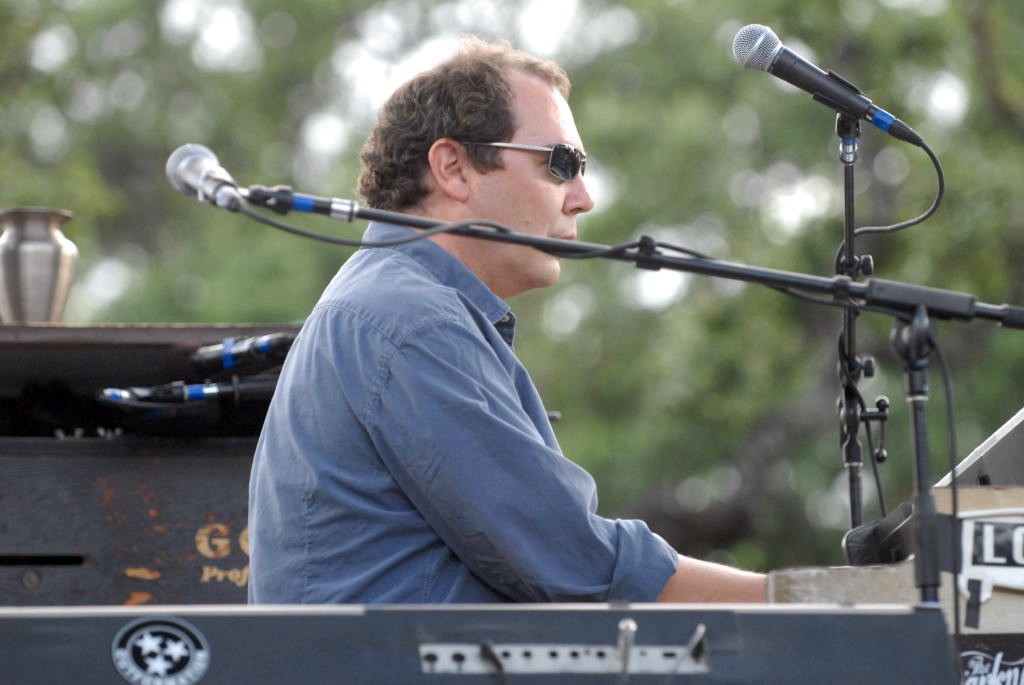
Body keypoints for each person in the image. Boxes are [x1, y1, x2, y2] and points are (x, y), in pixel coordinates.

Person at [248, 37, 765, 605]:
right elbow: (578, 563)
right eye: (561, 164)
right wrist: (802, 599)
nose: (583, 198)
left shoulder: (393, 303)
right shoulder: (411, 320)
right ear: (453, 169)